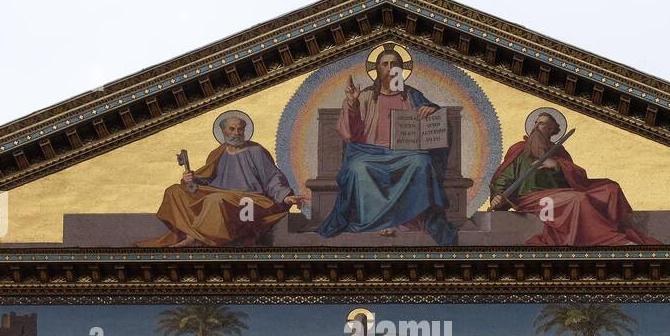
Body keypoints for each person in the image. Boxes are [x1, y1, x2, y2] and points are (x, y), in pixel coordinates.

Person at [317, 46, 459, 245]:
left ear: (401, 70)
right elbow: (351, 134)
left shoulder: (411, 95)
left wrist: (430, 109)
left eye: (395, 65)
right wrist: (352, 104)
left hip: (404, 153)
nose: (390, 68)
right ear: (377, 69)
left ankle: (408, 222)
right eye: (385, 64)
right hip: (370, 152)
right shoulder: (365, 96)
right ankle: (375, 223)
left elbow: (435, 118)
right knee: (357, 167)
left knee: (422, 161)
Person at [489, 110, 660, 247]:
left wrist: (557, 165)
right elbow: (504, 177)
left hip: (561, 192)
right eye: (536, 123)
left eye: (542, 124)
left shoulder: (559, 152)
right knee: (578, 199)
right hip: (532, 198)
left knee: (610, 189)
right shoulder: (520, 150)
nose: (536, 127)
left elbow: (577, 178)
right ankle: (612, 240)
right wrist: (498, 198)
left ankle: (617, 230)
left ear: (551, 130)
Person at [141, 112, 307, 247]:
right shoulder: (218, 153)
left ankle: (195, 238)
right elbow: (206, 179)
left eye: (240, 129)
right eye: (232, 129)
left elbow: (272, 178)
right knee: (174, 191)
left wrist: (285, 196)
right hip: (219, 193)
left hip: (249, 198)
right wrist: (191, 179)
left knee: (215, 200)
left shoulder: (256, 151)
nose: (236, 133)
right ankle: (191, 233)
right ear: (223, 131)